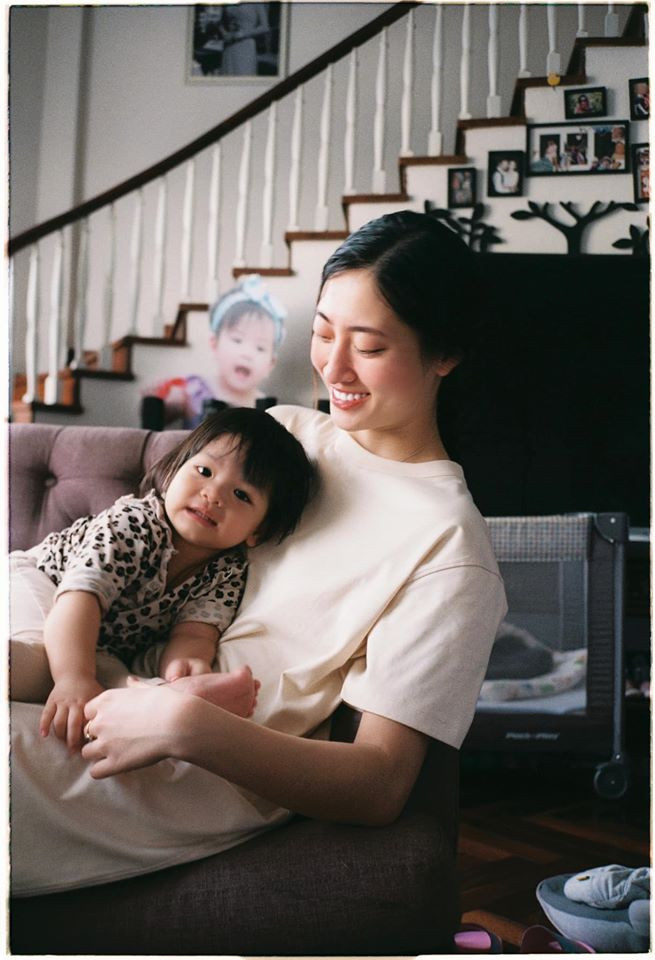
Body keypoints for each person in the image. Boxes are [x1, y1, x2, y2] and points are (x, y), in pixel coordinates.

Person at [11, 211, 507, 897]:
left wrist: (187, 724)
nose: (333, 367)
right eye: (324, 333)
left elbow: (381, 784)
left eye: (368, 347)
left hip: (192, 767)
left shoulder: (448, 545)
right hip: (108, 673)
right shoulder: (285, 435)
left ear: (444, 354)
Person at [10, 407, 315, 752]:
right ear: (173, 471)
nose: (213, 494)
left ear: (258, 531)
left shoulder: (227, 572)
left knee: (116, 684)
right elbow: (78, 601)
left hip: (101, 641)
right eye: (205, 471)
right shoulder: (134, 524)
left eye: (241, 495)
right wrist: (73, 678)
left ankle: (177, 699)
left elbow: (194, 634)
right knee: (45, 661)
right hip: (43, 582)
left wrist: (186, 669)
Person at [146, 274, 285, 428]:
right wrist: (159, 402)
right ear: (214, 344)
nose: (247, 354)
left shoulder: (268, 407)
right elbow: (157, 420)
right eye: (237, 340)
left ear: (271, 364)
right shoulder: (194, 391)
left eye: (260, 347)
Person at [220, 3, 269, 76]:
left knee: (243, 74)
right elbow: (221, 22)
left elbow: (265, 27)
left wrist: (242, 34)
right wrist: (224, 33)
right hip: (229, 45)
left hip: (246, 45)